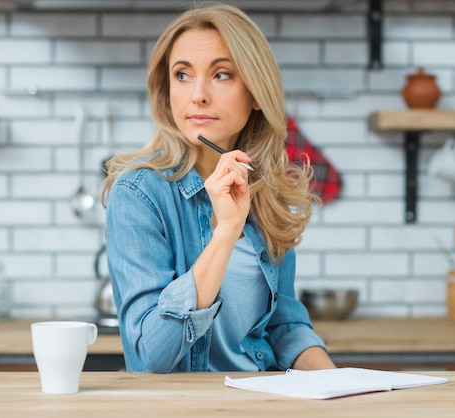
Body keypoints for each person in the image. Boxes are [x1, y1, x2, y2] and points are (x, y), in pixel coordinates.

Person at [101, 3, 335, 373]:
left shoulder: (266, 191)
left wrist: (340, 386)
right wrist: (225, 232)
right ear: (167, 93)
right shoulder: (139, 194)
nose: (198, 95)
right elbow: (152, 355)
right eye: (182, 75)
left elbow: (284, 326)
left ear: (256, 93)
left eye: (221, 74)